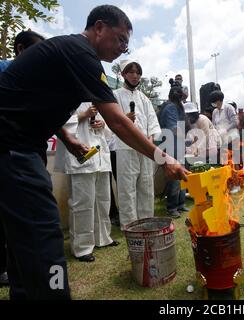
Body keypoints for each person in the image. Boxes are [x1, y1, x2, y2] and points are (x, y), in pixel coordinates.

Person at [0, 5, 188, 300]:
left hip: (21, 145)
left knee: (21, 238)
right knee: (45, 235)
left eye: (127, 44)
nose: (123, 48)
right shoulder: (80, 52)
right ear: (99, 27)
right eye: (120, 39)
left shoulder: (74, 55)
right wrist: (164, 158)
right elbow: (117, 121)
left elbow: (34, 102)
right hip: (11, 147)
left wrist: (68, 137)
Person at [0, 29, 45, 289]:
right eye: (36, 52)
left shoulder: (34, 81)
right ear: (19, 49)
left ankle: (19, 272)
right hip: (6, 154)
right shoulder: (4, 70)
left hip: (29, 153)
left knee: (24, 223)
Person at [55, 103, 117, 263]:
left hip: (100, 155)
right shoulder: (68, 95)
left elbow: (109, 133)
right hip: (80, 156)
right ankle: (82, 247)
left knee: (103, 200)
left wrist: (103, 125)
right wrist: (83, 115)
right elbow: (57, 122)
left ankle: (103, 238)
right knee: (82, 203)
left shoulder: (97, 98)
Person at [113, 59, 162, 229]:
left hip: (145, 148)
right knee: (127, 188)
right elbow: (111, 121)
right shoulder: (115, 95)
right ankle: (130, 225)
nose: (135, 76)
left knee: (147, 185)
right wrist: (125, 119)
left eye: (138, 73)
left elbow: (152, 121)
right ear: (123, 74)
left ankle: (147, 221)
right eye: (131, 72)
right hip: (125, 148)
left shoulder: (144, 98)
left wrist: (150, 139)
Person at [159, 84, 190, 218]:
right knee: (175, 177)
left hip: (178, 144)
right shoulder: (171, 107)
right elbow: (173, 128)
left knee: (182, 174)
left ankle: (180, 203)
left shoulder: (177, 107)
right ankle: (172, 207)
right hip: (171, 145)